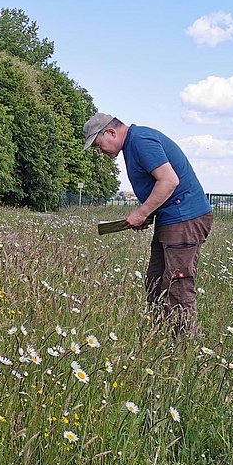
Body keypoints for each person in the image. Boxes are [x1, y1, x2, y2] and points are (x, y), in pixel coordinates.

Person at [83, 112, 213, 337]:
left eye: (97, 144)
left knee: (176, 284)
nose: (98, 151)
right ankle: (161, 336)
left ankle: (182, 346)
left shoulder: (140, 140)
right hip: (171, 219)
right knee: (155, 281)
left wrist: (142, 212)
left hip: (184, 218)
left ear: (111, 132)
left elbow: (169, 181)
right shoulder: (133, 144)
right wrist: (146, 215)